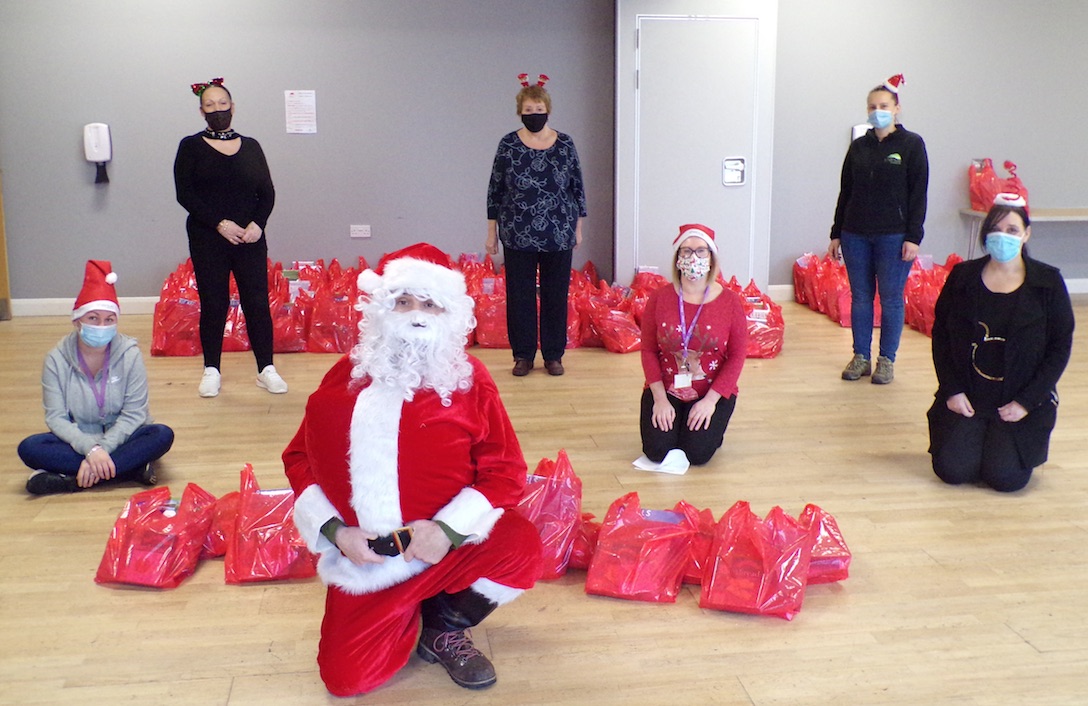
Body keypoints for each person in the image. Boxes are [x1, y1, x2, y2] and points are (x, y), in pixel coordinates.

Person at [282, 243, 543, 697]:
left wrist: (447, 530)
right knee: (345, 680)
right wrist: (337, 533)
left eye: (429, 303)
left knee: (520, 546)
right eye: (402, 302)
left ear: (450, 314)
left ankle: (441, 626)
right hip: (371, 562)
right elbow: (298, 458)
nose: (416, 315)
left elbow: (505, 471)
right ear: (381, 310)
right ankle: (405, 609)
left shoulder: (471, 379)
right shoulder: (345, 378)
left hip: (444, 548)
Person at [927, 203, 1074, 492]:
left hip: (1017, 401)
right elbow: (941, 336)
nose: (1002, 236)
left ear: (1026, 234)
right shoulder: (962, 277)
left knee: (1006, 479)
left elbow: (1059, 347)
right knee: (952, 470)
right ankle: (979, 436)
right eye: (995, 229)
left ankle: (998, 441)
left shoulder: (1048, 283)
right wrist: (952, 389)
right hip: (969, 398)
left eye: (1012, 230)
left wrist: (1027, 402)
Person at [18, 261, 175, 495]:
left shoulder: (130, 355)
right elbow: (56, 417)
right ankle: (130, 469)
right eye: (93, 318)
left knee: (161, 435)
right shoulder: (55, 360)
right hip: (79, 441)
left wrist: (102, 448)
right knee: (30, 448)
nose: (101, 326)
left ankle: (73, 479)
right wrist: (90, 449)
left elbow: (135, 414)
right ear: (77, 320)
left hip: (123, 438)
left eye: (109, 320)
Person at [173, 77, 287, 398]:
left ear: (233, 107)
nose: (217, 109)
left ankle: (266, 369)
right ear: (201, 111)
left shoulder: (251, 146)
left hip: (250, 239)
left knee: (256, 301)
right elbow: (186, 195)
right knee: (214, 302)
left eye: (223, 104)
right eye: (210, 105)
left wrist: (258, 224)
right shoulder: (190, 146)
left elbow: (266, 192)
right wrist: (219, 224)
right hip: (208, 237)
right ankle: (212, 370)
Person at [828, 73, 928, 385]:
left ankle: (887, 359)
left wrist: (914, 236)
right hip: (855, 233)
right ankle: (861, 356)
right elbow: (845, 191)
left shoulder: (912, 145)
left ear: (897, 108)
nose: (877, 110)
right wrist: (836, 232)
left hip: (894, 236)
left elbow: (918, 193)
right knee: (860, 296)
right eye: (872, 105)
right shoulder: (859, 147)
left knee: (891, 297)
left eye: (883, 105)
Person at [486, 73, 587, 377]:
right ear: (520, 112)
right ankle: (523, 356)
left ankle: (554, 355)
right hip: (517, 232)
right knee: (520, 296)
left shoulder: (565, 144)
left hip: (558, 231)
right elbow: (495, 189)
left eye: (538, 109)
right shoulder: (508, 145)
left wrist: (578, 227)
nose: (534, 115)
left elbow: (576, 186)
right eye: (528, 110)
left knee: (556, 294)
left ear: (548, 109)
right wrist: (491, 233)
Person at [636, 224, 748, 473]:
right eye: (685, 252)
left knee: (696, 454)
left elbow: (738, 355)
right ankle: (680, 423)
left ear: (712, 258)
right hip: (667, 389)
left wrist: (711, 401)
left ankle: (708, 428)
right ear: (677, 260)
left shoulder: (730, 301)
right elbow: (648, 350)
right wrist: (659, 399)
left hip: (710, 391)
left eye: (701, 251)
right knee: (656, 452)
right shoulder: (659, 298)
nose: (693, 258)